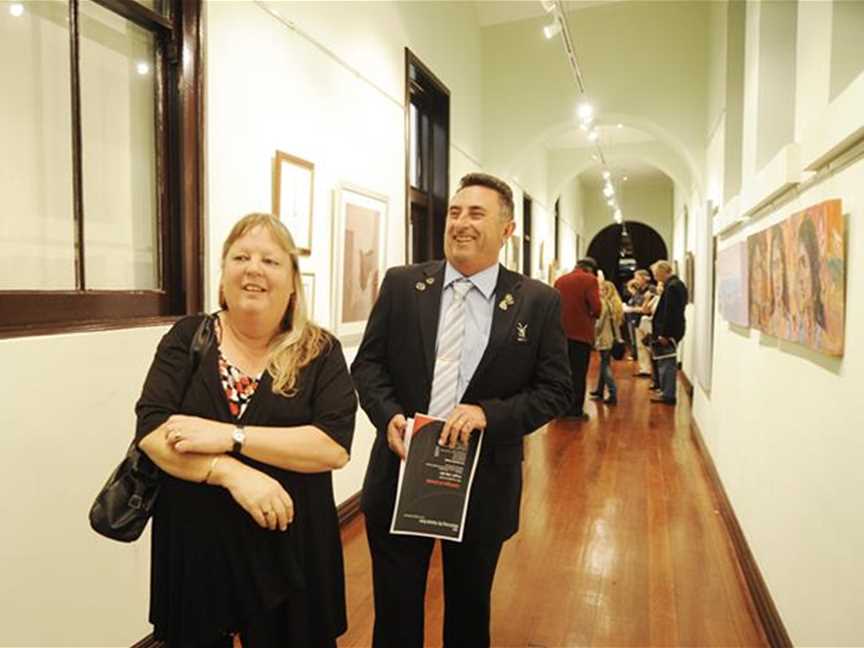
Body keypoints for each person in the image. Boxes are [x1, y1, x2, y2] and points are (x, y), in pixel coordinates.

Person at [351, 172, 572, 648]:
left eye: (476, 213)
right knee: (394, 611)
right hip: (400, 473)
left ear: (508, 230)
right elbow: (367, 365)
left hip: (482, 483)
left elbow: (555, 390)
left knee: (470, 611)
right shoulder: (403, 284)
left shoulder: (537, 302)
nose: (461, 223)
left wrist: (489, 415)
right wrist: (387, 414)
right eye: (455, 212)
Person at [136, 213, 357, 647]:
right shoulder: (188, 338)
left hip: (291, 546)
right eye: (240, 256)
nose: (253, 268)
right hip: (197, 548)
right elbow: (152, 430)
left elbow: (332, 446)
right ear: (223, 276)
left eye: (270, 261)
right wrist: (232, 473)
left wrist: (230, 436)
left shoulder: (319, 350)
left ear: (293, 282)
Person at [554, 256, 602, 419]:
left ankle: (560, 409)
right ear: (591, 269)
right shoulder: (590, 280)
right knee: (578, 374)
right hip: (581, 334)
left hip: (560, 334)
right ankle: (574, 411)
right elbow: (596, 308)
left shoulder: (560, 280)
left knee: (561, 373)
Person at [649, 260, 688, 405]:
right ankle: (665, 391)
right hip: (672, 331)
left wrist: (665, 334)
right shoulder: (675, 285)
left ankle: (668, 394)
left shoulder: (672, 287)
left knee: (667, 363)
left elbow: (670, 313)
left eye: (656, 273)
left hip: (669, 332)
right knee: (664, 362)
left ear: (663, 271)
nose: (654, 276)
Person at [590, 281, 624, 405]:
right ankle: (599, 390)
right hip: (613, 339)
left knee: (605, 366)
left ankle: (612, 393)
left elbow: (599, 324)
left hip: (604, 338)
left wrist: (593, 334)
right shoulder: (614, 304)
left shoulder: (604, 304)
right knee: (604, 364)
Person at [794, 216, 826, 348]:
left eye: (804, 263)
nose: (799, 276)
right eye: (797, 265)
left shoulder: (824, 339)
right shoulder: (794, 332)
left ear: (815, 269)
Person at [768, 224, 792, 339]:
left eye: (779, 264)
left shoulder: (792, 325)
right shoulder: (769, 324)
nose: (776, 276)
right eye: (774, 265)